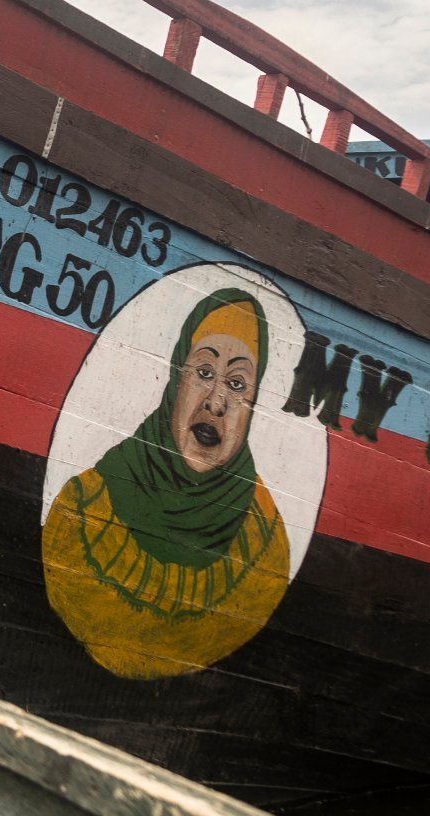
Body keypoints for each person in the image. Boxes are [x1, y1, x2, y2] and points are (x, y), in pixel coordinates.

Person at [40, 288, 289, 681]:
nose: (217, 402)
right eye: (204, 373)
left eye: (238, 384)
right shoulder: (84, 512)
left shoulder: (265, 545)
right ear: (176, 377)